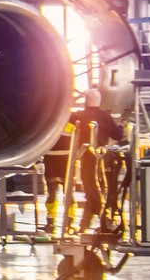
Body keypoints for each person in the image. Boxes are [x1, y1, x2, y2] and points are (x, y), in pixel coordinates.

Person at [44, 89, 119, 235]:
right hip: (103, 157)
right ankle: (89, 223)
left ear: (85, 101)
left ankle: (103, 220)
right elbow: (117, 134)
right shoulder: (105, 116)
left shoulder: (76, 117)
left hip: (85, 157)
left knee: (92, 189)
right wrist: (122, 127)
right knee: (96, 189)